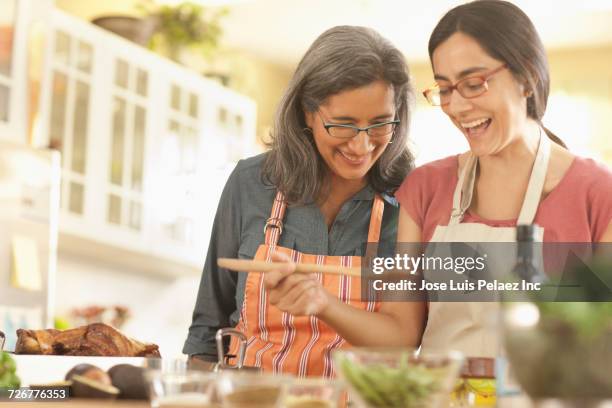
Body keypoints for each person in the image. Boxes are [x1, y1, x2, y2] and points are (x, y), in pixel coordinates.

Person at [183, 25, 425, 376]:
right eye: (342, 125)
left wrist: (323, 303)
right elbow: (207, 331)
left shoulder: (409, 199)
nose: (362, 146)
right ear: (307, 113)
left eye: (380, 124)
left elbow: (404, 339)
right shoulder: (251, 183)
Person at [394, 0, 612, 358]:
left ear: (527, 76)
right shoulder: (425, 188)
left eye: (474, 83)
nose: (457, 107)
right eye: (445, 89)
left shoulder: (599, 195)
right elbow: (402, 330)